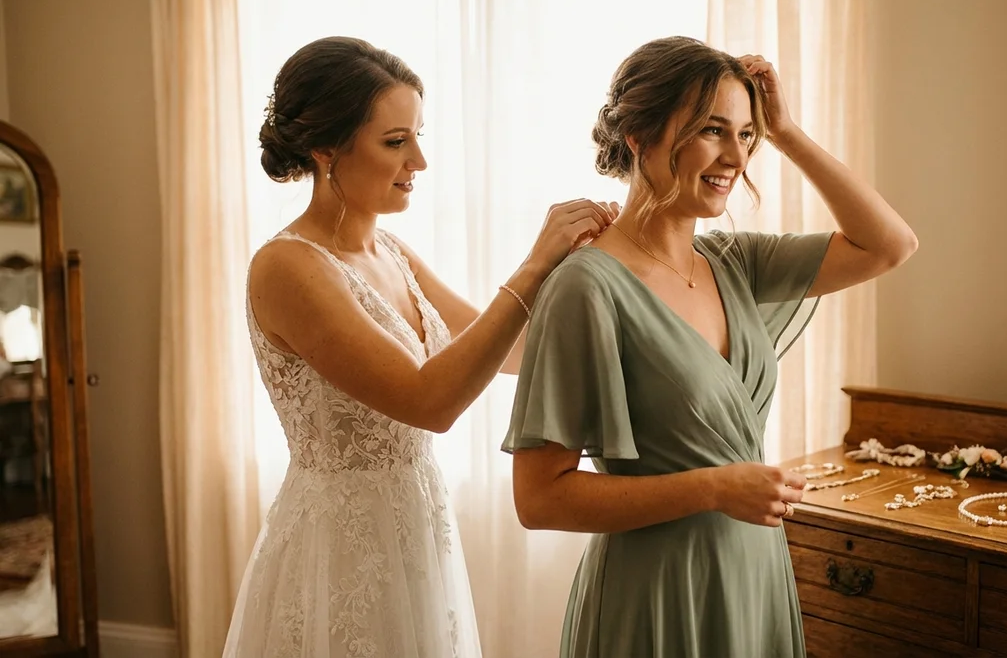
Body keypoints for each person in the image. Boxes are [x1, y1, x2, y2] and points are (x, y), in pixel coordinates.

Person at [503, 36, 918, 658]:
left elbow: (890, 244)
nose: (735, 155)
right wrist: (714, 488)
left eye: (746, 134)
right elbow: (539, 499)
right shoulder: (586, 286)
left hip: (753, 570)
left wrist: (787, 133)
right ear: (639, 135)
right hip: (657, 593)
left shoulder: (735, 262)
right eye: (712, 129)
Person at [222, 36, 617, 658]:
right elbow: (428, 400)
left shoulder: (393, 254)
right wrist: (532, 266)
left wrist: (589, 271)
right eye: (396, 141)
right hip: (341, 549)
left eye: (418, 136)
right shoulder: (288, 268)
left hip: (415, 524)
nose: (420, 162)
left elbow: (509, 351)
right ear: (327, 150)